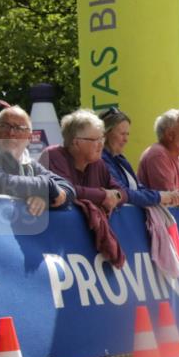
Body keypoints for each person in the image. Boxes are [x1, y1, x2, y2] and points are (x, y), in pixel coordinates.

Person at [40, 110, 128, 266]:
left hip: (87, 255)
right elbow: (67, 190)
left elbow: (121, 192)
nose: (101, 144)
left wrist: (116, 197)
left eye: (102, 138)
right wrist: (103, 195)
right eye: (95, 139)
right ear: (76, 142)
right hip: (53, 250)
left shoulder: (98, 163)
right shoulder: (53, 156)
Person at [0, 105, 74, 215]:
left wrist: (45, 200)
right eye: (5, 126)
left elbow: (67, 188)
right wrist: (46, 186)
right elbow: (0, 183)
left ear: (30, 138)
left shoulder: (29, 163)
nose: (11, 133)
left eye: (19, 128)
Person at [100, 109, 179, 208]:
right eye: (122, 134)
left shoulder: (120, 159)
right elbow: (123, 193)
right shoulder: (101, 160)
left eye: (127, 134)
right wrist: (160, 196)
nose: (126, 139)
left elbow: (138, 188)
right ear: (106, 133)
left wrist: (164, 196)